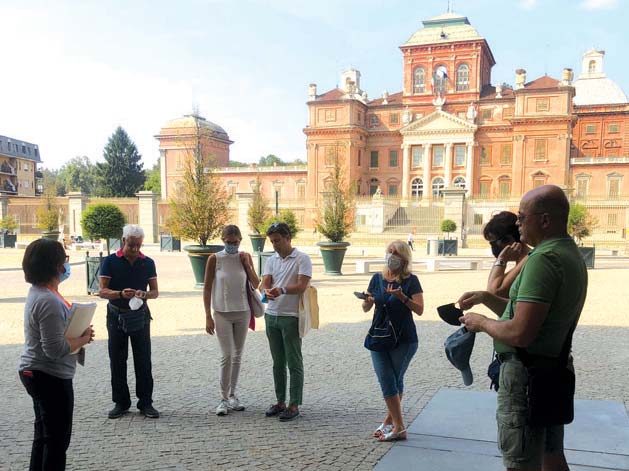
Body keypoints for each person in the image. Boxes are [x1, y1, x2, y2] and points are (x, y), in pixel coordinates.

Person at [458, 185, 588, 471]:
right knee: (551, 453)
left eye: (522, 217)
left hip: (527, 375)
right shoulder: (568, 252)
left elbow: (520, 332)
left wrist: (480, 322)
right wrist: (485, 298)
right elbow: (527, 313)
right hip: (552, 368)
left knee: (521, 460)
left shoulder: (542, 260)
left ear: (544, 220)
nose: (518, 223)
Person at [18, 239, 95, 470]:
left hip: (39, 372)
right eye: (64, 261)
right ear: (56, 265)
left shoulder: (41, 293)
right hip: (49, 375)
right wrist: (83, 338)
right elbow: (54, 348)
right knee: (56, 441)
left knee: (43, 436)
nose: (66, 266)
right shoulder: (48, 300)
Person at [361, 240, 424, 442]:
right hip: (378, 337)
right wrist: (367, 301)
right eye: (389, 251)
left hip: (403, 339)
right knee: (387, 379)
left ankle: (395, 426)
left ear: (404, 258)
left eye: (395, 253)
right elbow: (365, 308)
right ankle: (395, 425)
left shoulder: (411, 280)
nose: (391, 256)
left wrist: (402, 297)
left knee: (393, 380)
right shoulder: (377, 279)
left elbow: (420, 309)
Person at [99, 224, 160, 419]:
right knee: (117, 359)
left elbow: (155, 292)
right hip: (116, 313)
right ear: (123, 241)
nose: (134, 250)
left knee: (143, 359)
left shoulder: (147, 262)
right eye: (131, 245)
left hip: (139, 314)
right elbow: (102, 291)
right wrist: (119, 293)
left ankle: (146, 402)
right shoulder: (110, 261)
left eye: (138, 246)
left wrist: (145, 294)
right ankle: (121, 402)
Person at [203, 225, 259, 416]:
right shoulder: (215, 259)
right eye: (228, 242)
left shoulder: (245, 257)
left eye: (235, 242)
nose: (232, 246)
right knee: (226, 355)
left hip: (242, 311)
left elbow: (256, 283)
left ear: (240, 240)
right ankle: (223, 398)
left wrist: (248, 265)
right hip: (221, 312)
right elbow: (207, 288)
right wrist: (207, 316)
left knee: (238, 355)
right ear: (223, 240)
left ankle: (233, 394)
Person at [259, 222, 312, 422]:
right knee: (277, 362)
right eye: (272, 242)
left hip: (291, 315)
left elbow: (302, 285)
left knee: (294, 361)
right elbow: (265, 281)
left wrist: (282, 290)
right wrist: (265, 290)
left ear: (288, 238)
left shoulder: (302, 258)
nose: (275, 245)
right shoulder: (272, 259)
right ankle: (280, 401)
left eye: (278, 241)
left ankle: (294, 403)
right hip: (271, 314)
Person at [483, 211, 528, 297]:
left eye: (494, 243)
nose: (493, 247)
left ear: (508, 240)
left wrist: (501, 259)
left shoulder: (527, 261)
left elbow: (494, 292)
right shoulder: (521, 262)